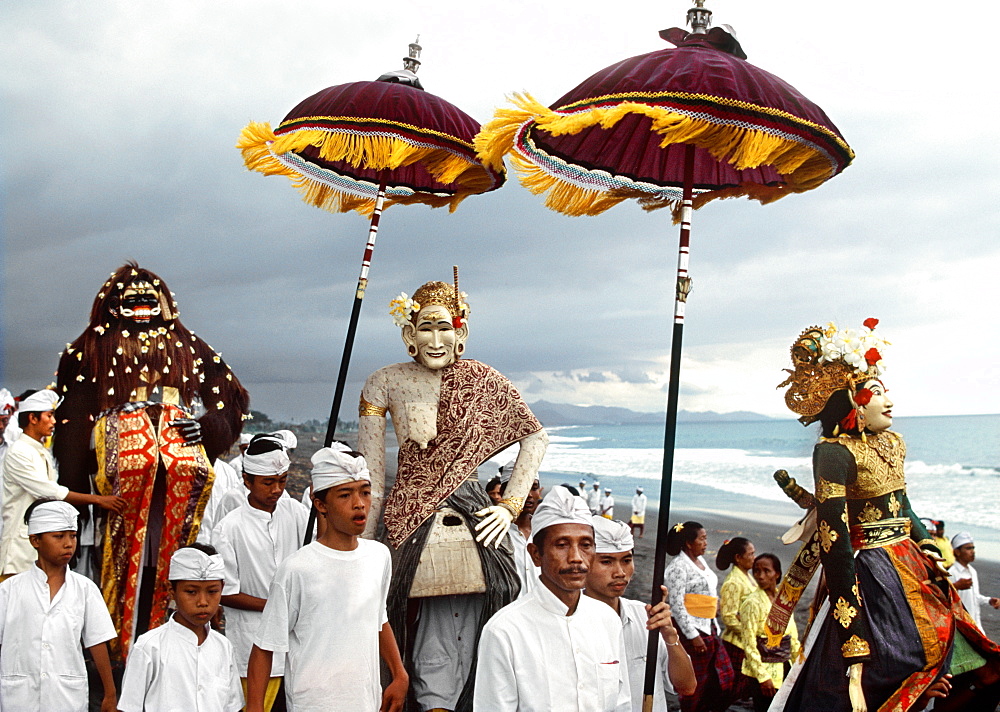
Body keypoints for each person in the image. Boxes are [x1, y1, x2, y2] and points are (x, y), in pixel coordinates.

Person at [771, 319, 1000, 712]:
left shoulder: (892, 442)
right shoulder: (832, 452)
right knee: (891, 667)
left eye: (885, 391)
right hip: (870, 573)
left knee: (975, 662)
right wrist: (851, 625)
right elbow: (834, 540)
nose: (888, 401)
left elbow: (903, 505)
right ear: (851, 401)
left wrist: (926, 541)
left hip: (911, 561)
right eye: (875, 392)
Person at [358, 278, 547, 711]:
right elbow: (374, 476)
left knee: (506, 590)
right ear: (409, 334)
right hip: (407, 514)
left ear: (461, 333)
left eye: (445, 328)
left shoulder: (482, 379)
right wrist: (366, 544)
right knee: (389, 610)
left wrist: (509, 506)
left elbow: (535, 438)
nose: (436, 339)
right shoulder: (384, 382)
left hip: (476, 511)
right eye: (426, 327)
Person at [53, 263, 250, 657]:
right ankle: (116, 640)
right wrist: (85, 464)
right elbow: (72, 416)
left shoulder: (187, 346)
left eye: (149, 300)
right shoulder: (90, 347)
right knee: (121, 540)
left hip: (177, 456)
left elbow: (231, 399)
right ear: (113, 305)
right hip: (123, 456)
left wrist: (208, 427)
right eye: (133, 301)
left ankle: (172, 635)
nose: (142, 308)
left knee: (175, 542)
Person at [246, 446, 408, 712]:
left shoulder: (379, 556)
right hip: (313, 703)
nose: (359, 503)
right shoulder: (297, 569)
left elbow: (379, 620)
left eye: (365, 492)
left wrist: (399, 674)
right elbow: (264, 647)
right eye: (345, 495)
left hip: (366, 701)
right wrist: (255, 708)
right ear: (321, 504)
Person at [474, 485, 631, 711]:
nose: (576, 558)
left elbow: (621, 702)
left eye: (585, 545)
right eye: (562, 545)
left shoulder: (607, 620)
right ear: (536, 555)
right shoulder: (505, 631)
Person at [213, 435, 311, 711]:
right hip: (250, 640)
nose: (277, 489)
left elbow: (316, 549)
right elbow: (226, 592)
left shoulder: (295, 511)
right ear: (247, 481)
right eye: (268, 482)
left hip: (296, 642)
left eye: (282, 480)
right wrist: (275, 606)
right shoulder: (229, 529)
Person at [0, 499, 118, 712]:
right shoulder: (9, 590)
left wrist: (110, 694)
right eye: (58, 536)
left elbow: (98, 642)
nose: (68, 544)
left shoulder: (85, 589)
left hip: (66, 698)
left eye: (73, 536)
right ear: (35, 540)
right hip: (18, 697)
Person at [1, 389, 125, 577]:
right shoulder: (19, 452)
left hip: (36, 547)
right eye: (49, 416)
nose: (53, 422)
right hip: (19, 552)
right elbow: (50, 492)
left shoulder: (39, 450)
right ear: (33, 418)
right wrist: (99, 500)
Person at [585, 515, 697, 711]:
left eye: (626, 560)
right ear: (585, 564)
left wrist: (670, 636)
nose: (620, 572)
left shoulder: (645, 616)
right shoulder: (572, 622)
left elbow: (687, 686)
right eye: (607, 562)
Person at [119, 544, 243, 711]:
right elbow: (129, 707)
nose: (203, 602)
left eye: (212, 591)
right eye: (191, 592)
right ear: (172, 591)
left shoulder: (223, 647)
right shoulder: (149, 647)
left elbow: (232, 706)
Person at [663, 521, 733, 712]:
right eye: (702, 539)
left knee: (722, 677)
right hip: (692, 629)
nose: (706, 543)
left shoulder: (700, 562)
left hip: (709, 625)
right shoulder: (678, 567)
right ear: (688, 543)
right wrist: (693, 636)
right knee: (695, 683)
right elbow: (676, 605)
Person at [738, 554, 799, 712]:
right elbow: (749, 643)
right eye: (756, 571)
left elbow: (792, 637)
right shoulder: (752, 603)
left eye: (766, 571)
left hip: (785, 665)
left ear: (777, 574)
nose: (761, 576)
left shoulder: (784, 598)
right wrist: (762, 677)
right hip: (763, 670)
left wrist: (798, 666)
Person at [716, 536, 757, 705]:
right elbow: (728, 617)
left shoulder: (747, 577)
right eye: (751, 554)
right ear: (738, 558)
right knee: (730, 690)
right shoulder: (733, 582)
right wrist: (750, 634)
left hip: (747, 642)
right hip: (736, 644)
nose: (754, 558)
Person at [498, 459, 543, 599]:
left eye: (534, 488)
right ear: (503, 492)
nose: (529, 494)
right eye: (521, 487)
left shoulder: (544, 532)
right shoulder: (496, 532)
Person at [950, 532, 1000, 632]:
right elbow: (946, 599)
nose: (972, 551)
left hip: (976, 624)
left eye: (973, 548)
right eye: (968, 548)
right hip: (961, 626)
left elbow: (974, 597)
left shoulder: (972, 571)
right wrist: (955, 586)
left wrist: (988, 601)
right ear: (957, 552)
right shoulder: (952, 573)